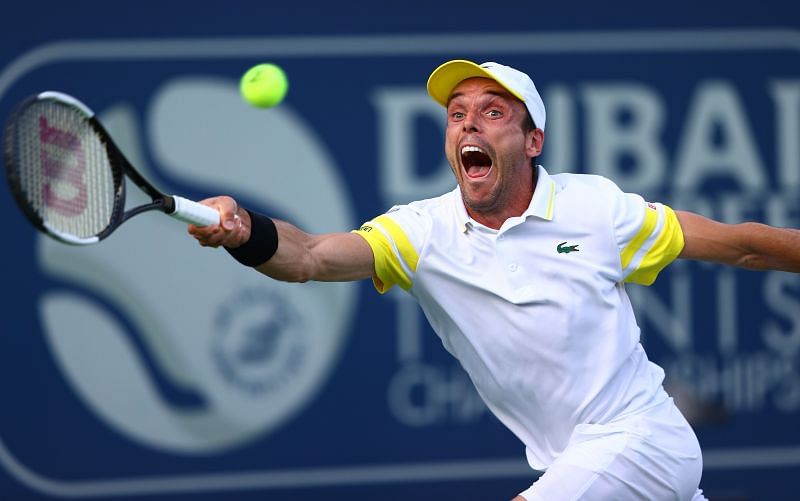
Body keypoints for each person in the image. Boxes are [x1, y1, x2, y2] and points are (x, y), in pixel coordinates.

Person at [189, 60, 800, 500]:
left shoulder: (598, 210)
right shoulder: (421, 233)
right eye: (457, 115)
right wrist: (246, 231)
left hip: (643, 441)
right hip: (576, 467)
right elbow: (312, 256)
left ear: (532, 140)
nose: (468, 125)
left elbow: (743, 247)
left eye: (492, 112)